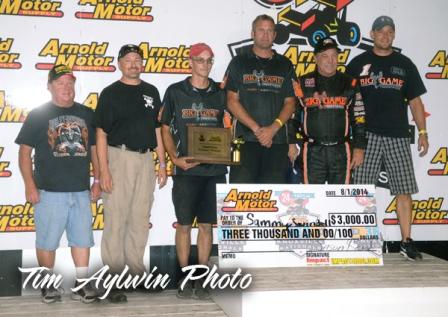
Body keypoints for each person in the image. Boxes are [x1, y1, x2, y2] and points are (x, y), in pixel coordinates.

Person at [16, 64, 101, 304]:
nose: (66, 87)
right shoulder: (38, 114)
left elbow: (94, 150)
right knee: (47, 240)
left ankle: (82, 284)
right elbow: (24, 154)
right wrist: (29, 185)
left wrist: (97, 180)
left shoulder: (87, 113)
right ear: (49, 86)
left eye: (70, 83)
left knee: (83, 239)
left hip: (81, 190)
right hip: (49, 191)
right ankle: (47, 285)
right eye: (60, 83)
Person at [347, 16, 429, 260]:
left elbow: (415, 101)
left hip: (397, 135)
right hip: (365, 136)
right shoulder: (358, 63)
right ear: (372, 34)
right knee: (360, 191)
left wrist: (423, 132)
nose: (385, 36)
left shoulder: (404, 64)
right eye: (380, 32)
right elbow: (347, 100)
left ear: (394, 34)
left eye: (389, 32)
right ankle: (360, 240)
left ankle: (406, 241)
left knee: (404, 191)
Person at [95, 44, 167, 302]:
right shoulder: (110, 93)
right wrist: (103, 170)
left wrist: (162, 162)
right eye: (128, 59)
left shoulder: (151, 91)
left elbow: (157, 129)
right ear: (119, 63)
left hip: (146, 158)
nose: (134, 64)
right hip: (119, 157)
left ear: (143, 64)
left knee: (139, 219)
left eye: (138, 59)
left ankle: (136, 274)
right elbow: (101, 133)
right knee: (116, 219)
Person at [160, 43, 227, 300]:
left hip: (214, 169)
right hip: (186, 170)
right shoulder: (176, 91)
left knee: (208, 226)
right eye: (200, 60)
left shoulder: (221, 93)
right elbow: (164, 127)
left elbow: (231, 126)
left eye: (209, 61)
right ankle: (185, 276)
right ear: (190, 62)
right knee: (185, 225)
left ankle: (202, 278)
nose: (205, 65)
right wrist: (174, 159)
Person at [222, 14, 297, 183]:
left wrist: (272, 129)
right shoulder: (238, 62)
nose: (265, 34)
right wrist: (257, 129)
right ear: (252, 33)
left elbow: (291, 102)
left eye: (270, 30)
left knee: (274, 198)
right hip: (239, 141)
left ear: (275, 35)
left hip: (276, 140)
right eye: (261, 30)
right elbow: (231, 101)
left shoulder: (285, 64)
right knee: (238, 195)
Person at [292, 37, 366, 184]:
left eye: (334, 56)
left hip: (341, 151)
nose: (330, 60)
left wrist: (359, 147)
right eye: (325, 56)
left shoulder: (350, 83)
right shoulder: (302, 83)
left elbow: (359, 118)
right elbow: (292, 117)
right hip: (312, 152)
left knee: (340, 202)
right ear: (315, 58)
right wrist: (291, 143)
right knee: (311, 201)